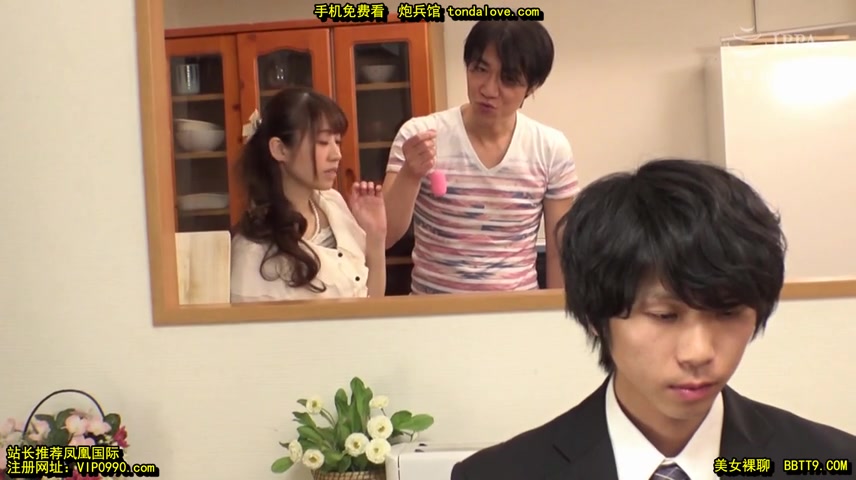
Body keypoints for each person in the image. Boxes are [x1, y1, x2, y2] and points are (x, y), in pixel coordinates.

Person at [450, 159, 856, 479]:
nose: (698, 352)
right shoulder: (498, 475)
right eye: (664, 315)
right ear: (594, 315)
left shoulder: (830, 464)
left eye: (728, 312)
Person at [382, 20, 579, 294]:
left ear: (532, 86)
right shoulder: (419, 135)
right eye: (480, 69)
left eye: (508, 79)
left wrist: (555, 314)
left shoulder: (550, 148)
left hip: (516, 310)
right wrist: (410, 174)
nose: (488, 89)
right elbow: (385, 236)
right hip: (433, 310)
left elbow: (559, 252)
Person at [230, 87, 387, 302]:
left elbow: (372, 307)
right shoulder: (253, 251)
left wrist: (376, 237)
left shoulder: (333, 202)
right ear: (280, 149)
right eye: (322, 142)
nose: (337, 155)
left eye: (337, 142)